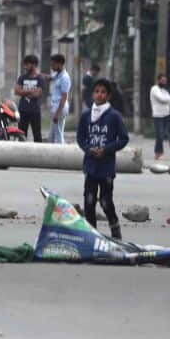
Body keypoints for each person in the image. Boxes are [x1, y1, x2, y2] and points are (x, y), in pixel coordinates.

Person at [77, 78, 129, 239]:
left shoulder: (114, 116)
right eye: (97, 91)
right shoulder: (86, 115)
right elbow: (80, 138)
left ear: (108, 95)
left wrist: (106, 150)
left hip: (106, 167)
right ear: (92, 94)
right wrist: (88, 149)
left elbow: (123, 138)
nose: (99, 95)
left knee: (106, 202)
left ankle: (115, 231)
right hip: (90, 166)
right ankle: (91, 235)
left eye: (103, 92)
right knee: (89, 201)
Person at [14, 55, 45, 142]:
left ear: (34, 65)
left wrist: (23, 92)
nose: (25, 67)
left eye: (27, 64)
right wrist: (31, 91)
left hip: (35, 110)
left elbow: (38, 94)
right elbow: (16, 91)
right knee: (21, 134)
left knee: (37, 134)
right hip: (23, 109)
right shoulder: (22, 77)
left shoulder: (40, 78)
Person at [47, 54, 71, 144]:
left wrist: (57, 113)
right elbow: (50, 77)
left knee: (58, 135)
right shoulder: (58, 75)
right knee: (52, 136)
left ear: (60, 64)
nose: (51, 66)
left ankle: (62, 154)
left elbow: (64, 97)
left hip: (60, 108)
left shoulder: (64, 77)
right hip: (56, 107)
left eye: (53, 64)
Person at [149, 73, 170, 160]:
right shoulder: (154, 89)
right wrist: (167, 100)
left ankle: (157, 153)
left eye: (165, 81)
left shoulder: (165, 91)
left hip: (166, 115)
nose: (164, 82)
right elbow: (161, 99)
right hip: (158, 115)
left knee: (162, 135)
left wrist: (166, 100)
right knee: (159, 134)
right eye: (162, 80)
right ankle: (160, 152)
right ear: (158, 80)